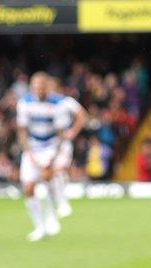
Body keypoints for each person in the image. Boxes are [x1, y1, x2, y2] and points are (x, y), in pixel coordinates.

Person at [17, 72, 80, 241]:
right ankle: (39, 227)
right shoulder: (24, 103)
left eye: (41, 86)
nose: (38, 89)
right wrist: (29, 153)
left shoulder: (58, 104)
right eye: (35, 86)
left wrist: (52, 157)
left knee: (47, 177)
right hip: (32, 147)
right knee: (28, 187)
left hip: (50, 145)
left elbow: (60, 133)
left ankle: (52, 215)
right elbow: (22, 131)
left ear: (47, 87)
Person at [46, 76, 88, 219]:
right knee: (50, 174)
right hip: (46, 144)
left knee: (59, 169)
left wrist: (73, 132)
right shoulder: (42, 104)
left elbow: (82, 115)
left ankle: (63, 202)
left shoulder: (66, 102)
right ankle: (58, 201)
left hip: (62, 143)